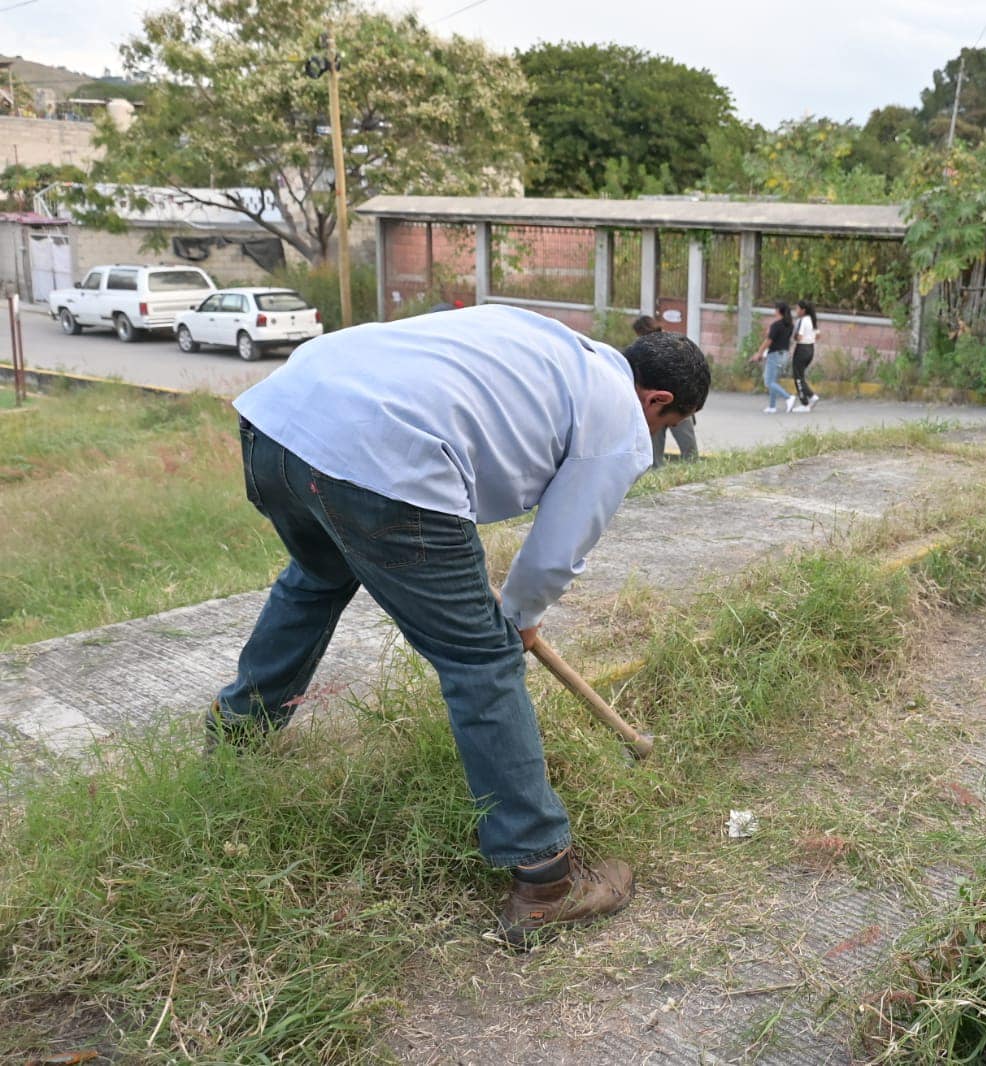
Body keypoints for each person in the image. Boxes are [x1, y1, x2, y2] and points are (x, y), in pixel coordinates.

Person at [209, 304, 710, 946]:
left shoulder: (553, 345)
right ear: (658, 400)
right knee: (483, 660)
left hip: (279, 423)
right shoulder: (619, 418)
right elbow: (558, 550)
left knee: (317, 579)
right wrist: (519, 622)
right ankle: (545, 879)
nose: (657, 438)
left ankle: (236, 737)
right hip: (384, 458)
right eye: (668, 425)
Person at [634, 314, 699, 466]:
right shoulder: (675, 342)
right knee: (688, 450)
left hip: (668, 403)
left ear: (642, 331)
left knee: (659, 454)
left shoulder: (672, 344)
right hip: (674, 403)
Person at [747, 301, 795, 413]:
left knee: (768, 382)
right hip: (784, 355)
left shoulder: (776, 325)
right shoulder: (790, 325)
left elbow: (768, 341)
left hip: (774, 355)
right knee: (773, 380)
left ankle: (788, 397)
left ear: (778, 310)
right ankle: (772, 406)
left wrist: (759, 353)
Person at [791, 300, 821, 412]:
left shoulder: (802, 320)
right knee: (801, 376)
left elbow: (799, 337)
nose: (796, 311)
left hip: (801, 349)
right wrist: (810, 338)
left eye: (797, 309)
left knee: (798, 377)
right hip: (810, 349)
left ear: (803, 310)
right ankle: (810, 398)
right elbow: (818, 335)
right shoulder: (812, 320)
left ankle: (807, 401)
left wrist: (794, 337)